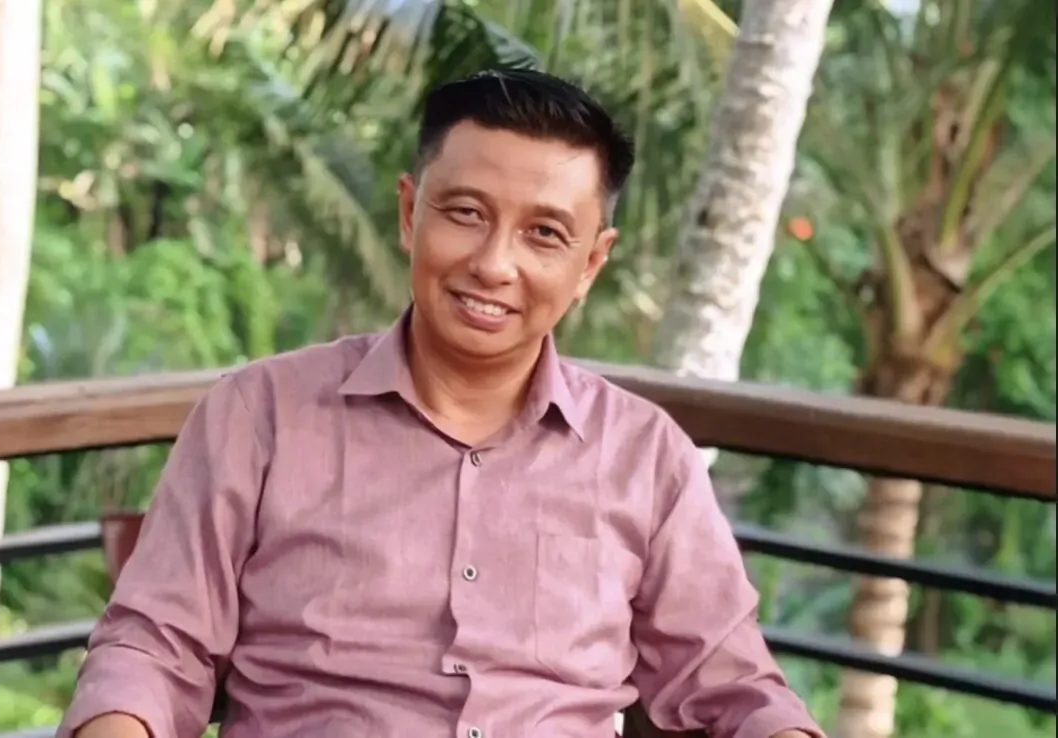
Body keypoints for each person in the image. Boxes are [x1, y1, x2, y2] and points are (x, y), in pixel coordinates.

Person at [59, 68, 825, 738]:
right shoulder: (259, 416)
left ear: (592, 263)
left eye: (545, 233)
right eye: (465, 213)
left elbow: (732, 686)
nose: (494, 264)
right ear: (408, 212)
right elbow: (153, 648)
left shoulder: (645, 457)